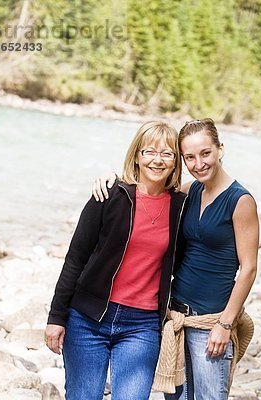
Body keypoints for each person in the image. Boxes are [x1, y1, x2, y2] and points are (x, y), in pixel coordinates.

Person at [93, 118, 259, 399]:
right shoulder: (188, 190)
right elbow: (149, 187)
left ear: (220, 149)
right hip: (176, 319)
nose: (199, 164)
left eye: (205, 153)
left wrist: (225, 324)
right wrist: (111, 178)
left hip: (210, 323)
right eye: (189, 157)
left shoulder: (240, 201)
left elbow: (249, 268)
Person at [45, 121, 186, 400]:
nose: (157, 160)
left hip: (141, 324)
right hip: (88, 318)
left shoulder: (181, 206)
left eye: (167, 154)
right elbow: (76, 257)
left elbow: (212, 193)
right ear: (136, 155)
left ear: (175, 163)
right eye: (149, 152)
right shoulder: (109, 194)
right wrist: (56, 317)